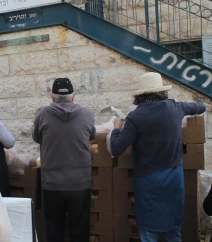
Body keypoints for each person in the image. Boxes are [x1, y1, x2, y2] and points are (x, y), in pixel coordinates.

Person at [109, 72, 206, 242]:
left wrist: (117, 127)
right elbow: (201, 107)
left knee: (148, 231)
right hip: (173, 177)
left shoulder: (135, 117)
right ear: (162, 91)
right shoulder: (176, 107)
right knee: (173, 230)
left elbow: (117, 148)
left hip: (147, 180)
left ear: (140, 96)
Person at [32, 77, 95, 242]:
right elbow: (92, 136)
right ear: (73, 96)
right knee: (79, 231)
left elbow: (37, 137)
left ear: (52, 97)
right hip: (80, 182)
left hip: (52, 183)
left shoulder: (42, 115)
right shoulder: (87, 114)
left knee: (54, 230)